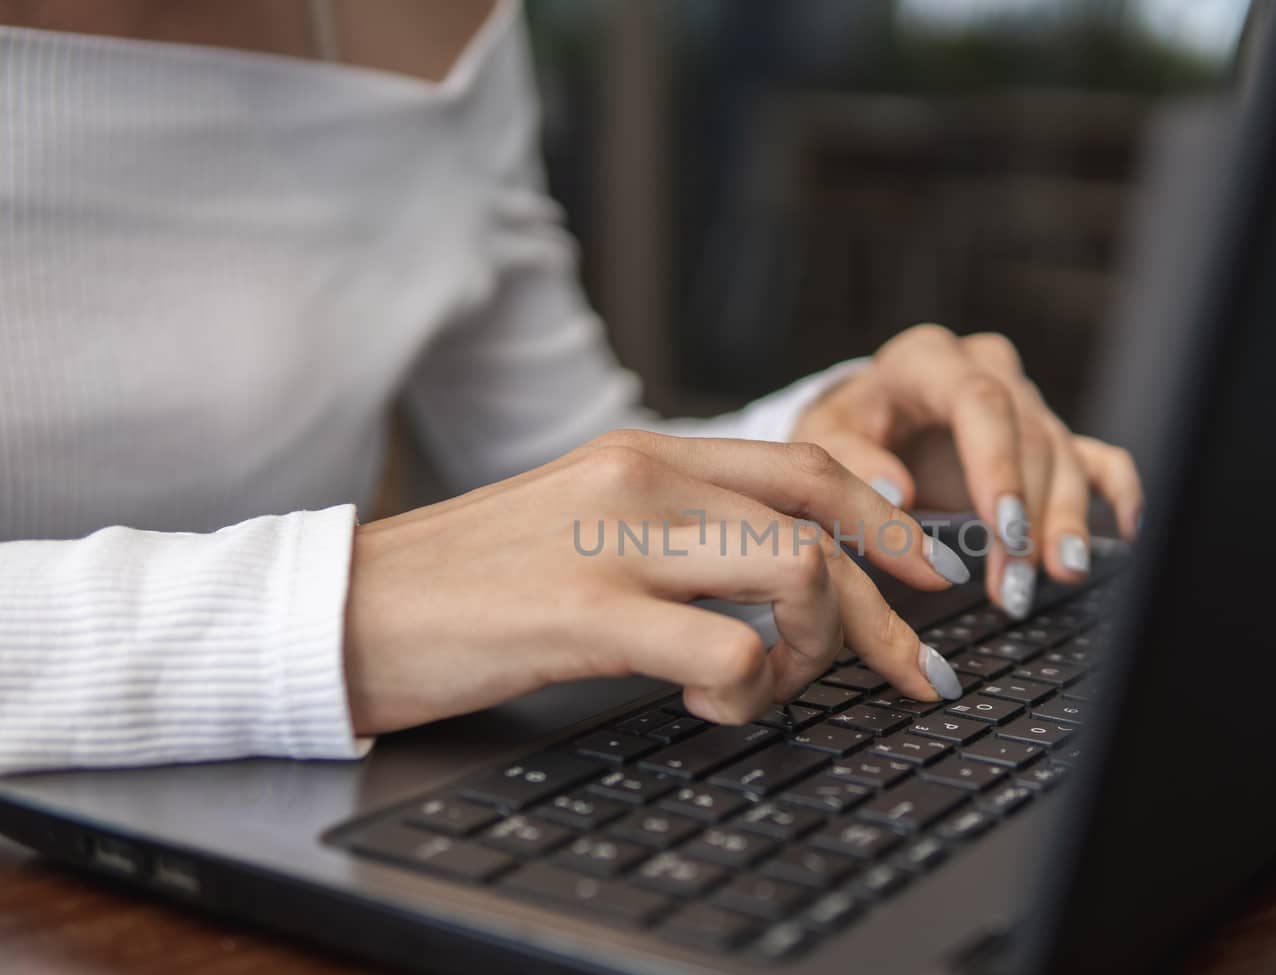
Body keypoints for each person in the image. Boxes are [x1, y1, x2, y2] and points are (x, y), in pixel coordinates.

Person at [0, 0, 1142, 775]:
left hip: (261, 832)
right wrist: (337, 614)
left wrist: (832, 454)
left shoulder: (433, 27)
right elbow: (435, 581)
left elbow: (565, 467)